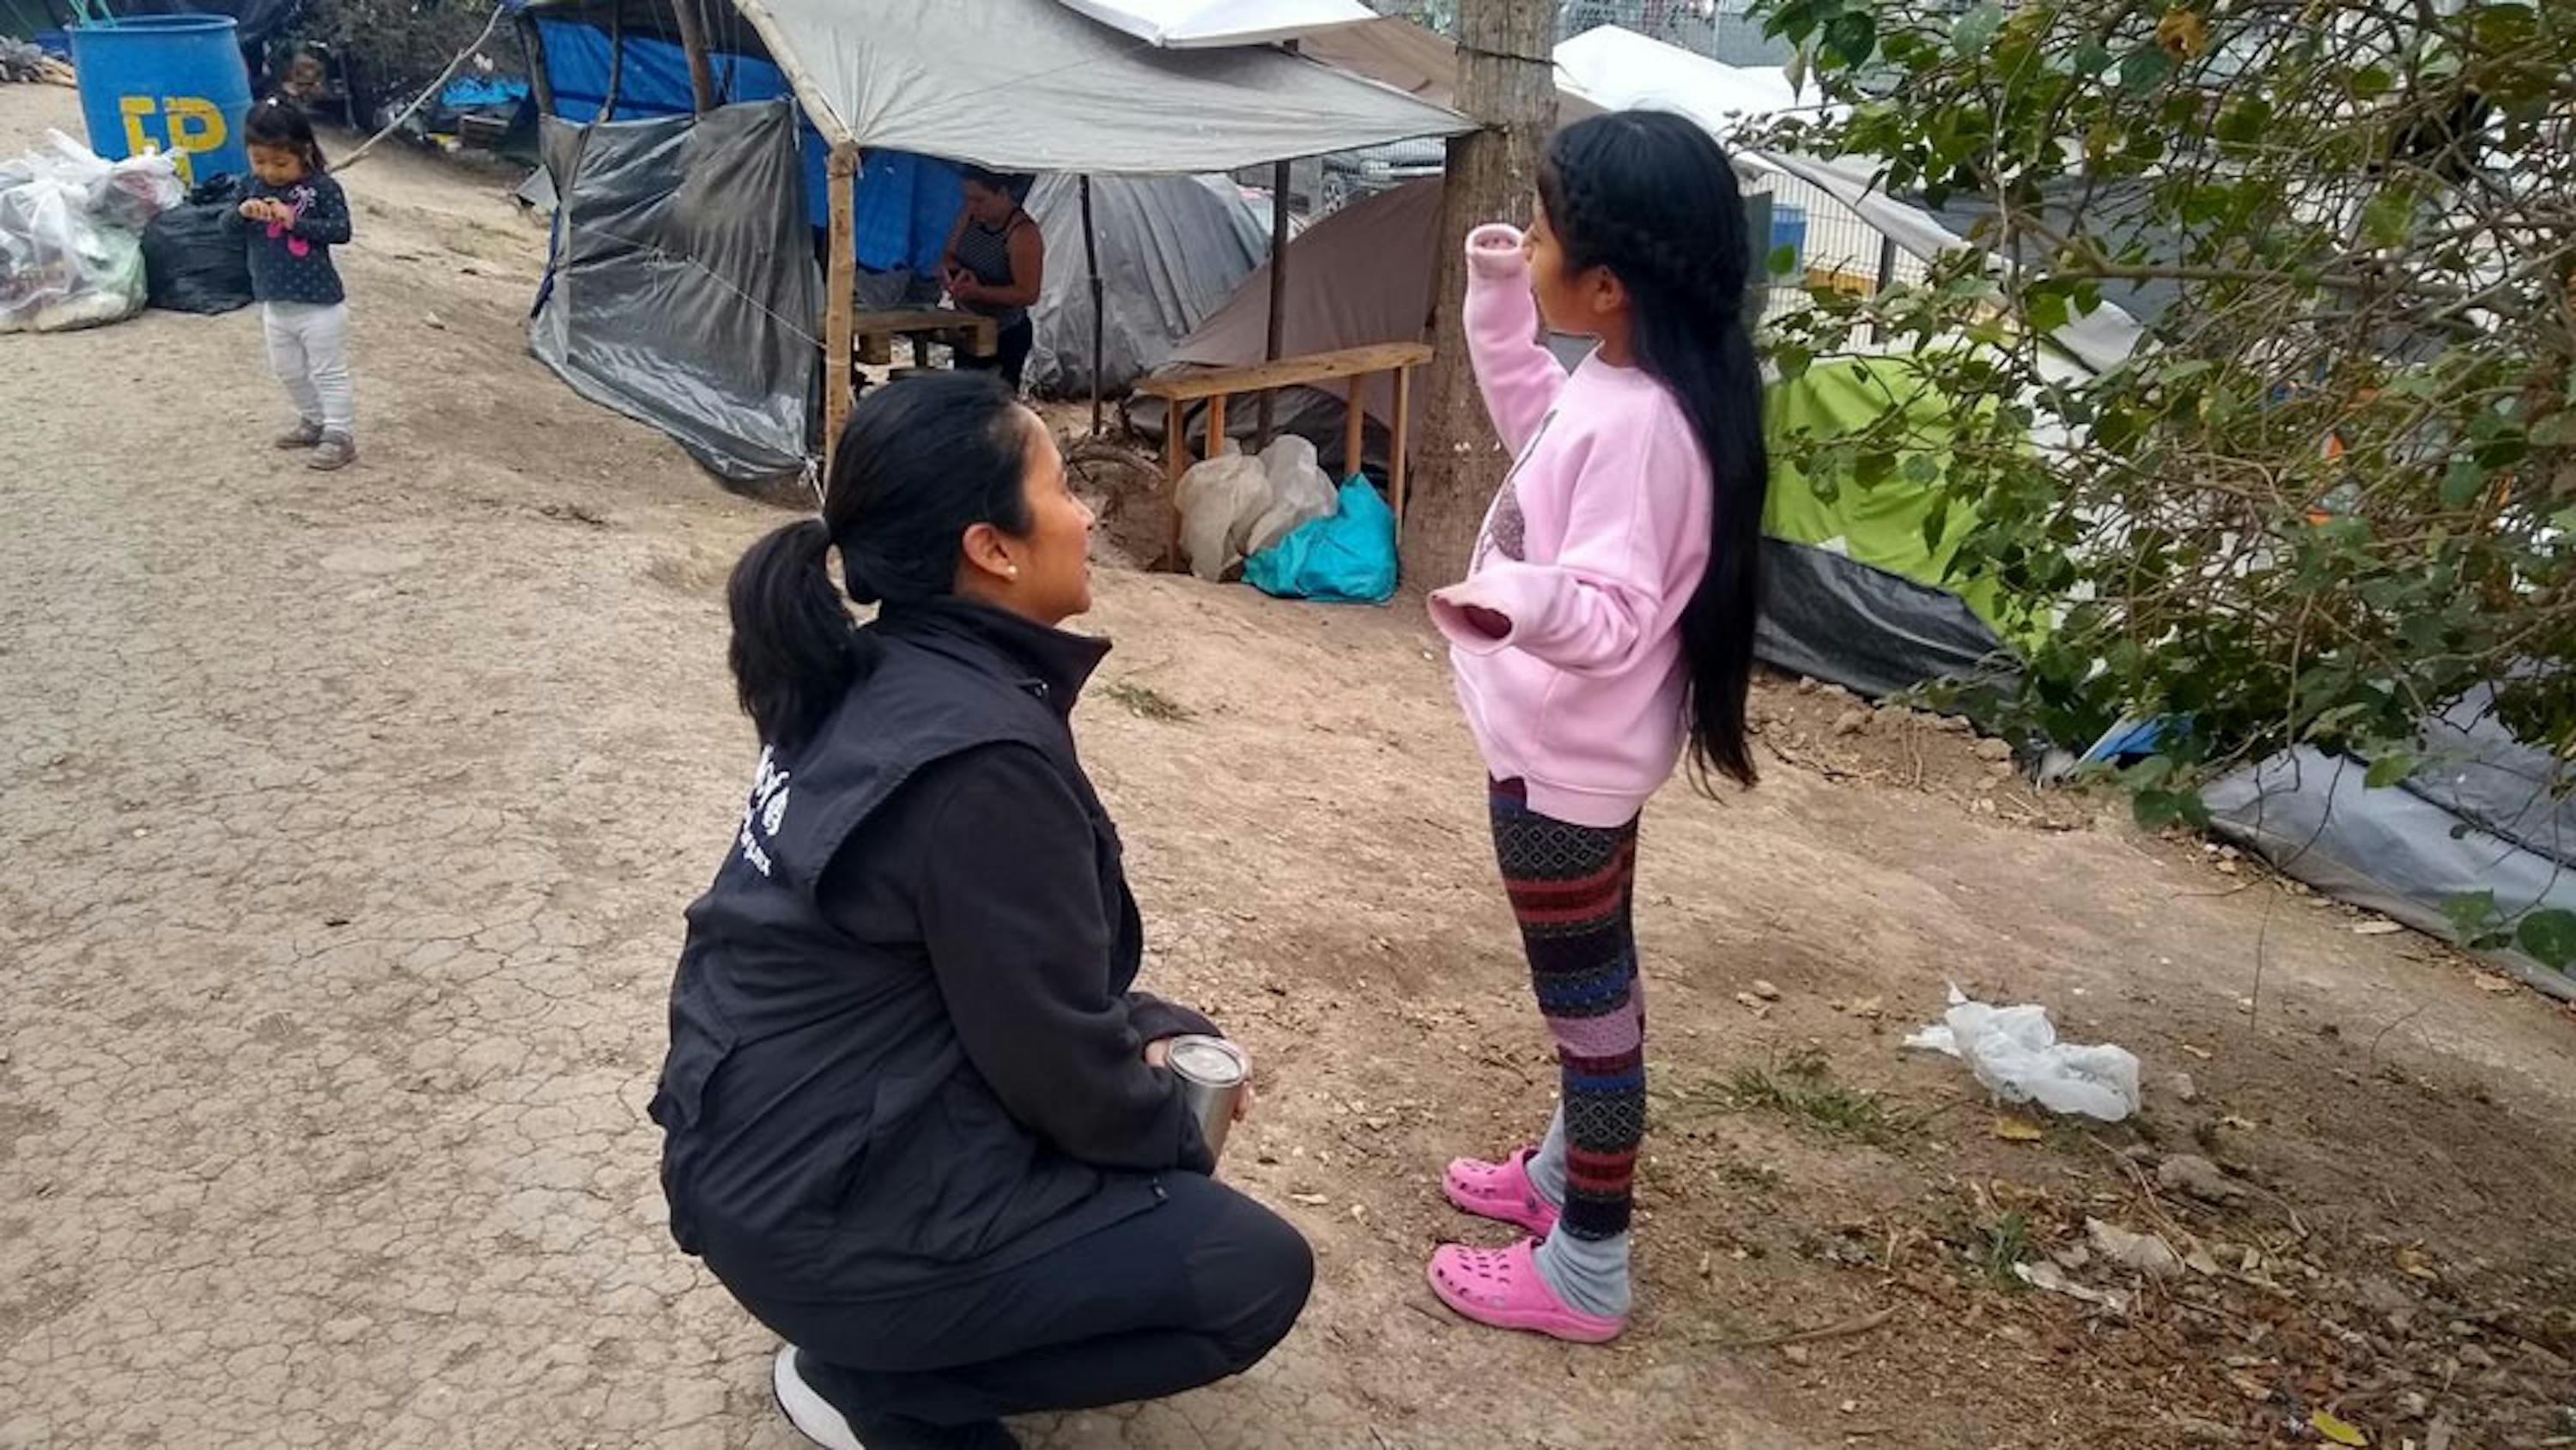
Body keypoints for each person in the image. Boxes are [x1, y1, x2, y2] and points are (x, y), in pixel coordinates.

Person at [651, 372, 1313, 1450]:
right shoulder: (980, 757)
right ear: (991, 548)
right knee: (1246, 1272)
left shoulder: (874, 671)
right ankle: (884, 1389)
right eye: (1060, 489)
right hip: (813, 1216)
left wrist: (1154, 1025)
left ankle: (884, 1332)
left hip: (755, 1161)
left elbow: (983, 966)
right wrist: (1175, 1130)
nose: (1089, 514)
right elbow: (1057, 1062)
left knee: (1138, 1105)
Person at [1420, 109, 1769, 1344]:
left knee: (1593, 1024)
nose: (1539, 235)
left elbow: (1614, 610)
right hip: (1571, 762)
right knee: (1598, 1003)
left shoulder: (1645, 427)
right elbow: (1539, 431)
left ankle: (1588, 1268)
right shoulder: (1629, 388)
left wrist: (1511, 599)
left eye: (1551, 228)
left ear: (1610, 286)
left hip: (1559, 780)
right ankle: (1567, 1181)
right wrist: (1501, 300)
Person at [227, 101, 356, 471]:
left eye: (281, 163)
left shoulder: (322, 188)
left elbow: (341, 231)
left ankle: (339, 434)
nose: (270, 172)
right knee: (287, 370)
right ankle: (312, 420)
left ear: (305, 152)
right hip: (274, 303)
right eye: (260, 161)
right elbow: (224, 228)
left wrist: (295, 222)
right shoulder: (249, 186)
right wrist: (241, 213)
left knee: (328, 370)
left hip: (319, 304)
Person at [939, 167, 1042, 391]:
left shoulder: (1022, 233)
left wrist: (979, 292)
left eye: (980, 199)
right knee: (962, 399)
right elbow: (949, 254)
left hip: (1005, 334)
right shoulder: (970, 214)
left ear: (1003, 194)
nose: (974, 205)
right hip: (967, 327)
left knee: (993, 404)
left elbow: (1028, 293)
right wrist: (952, 273)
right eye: (968, 198)